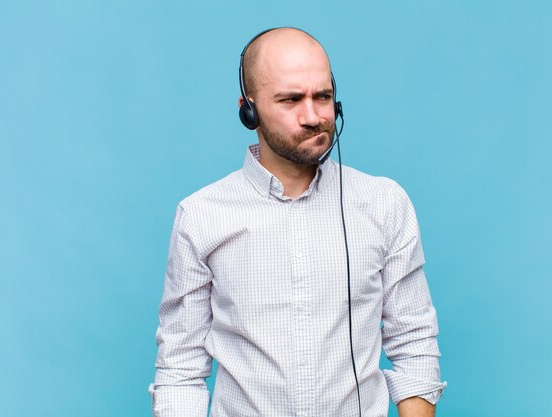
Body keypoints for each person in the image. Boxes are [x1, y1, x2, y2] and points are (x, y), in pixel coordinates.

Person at [149, 27, 446, 417]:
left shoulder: (384, 203)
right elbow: (180, 370)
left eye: (322, 97)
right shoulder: (201, 215)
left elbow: (414, 344)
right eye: (290, 100)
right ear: (248, 110)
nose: (313, 116)